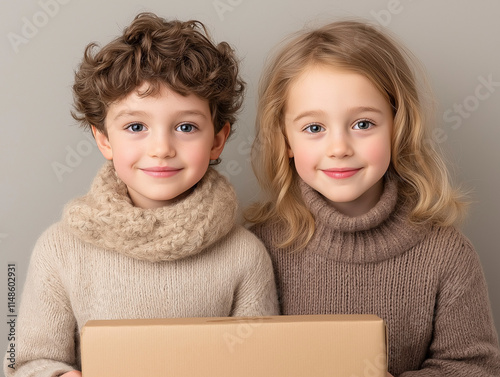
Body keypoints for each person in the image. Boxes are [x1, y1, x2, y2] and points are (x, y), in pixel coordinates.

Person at [5, 12, 278, 377]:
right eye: (136, 126)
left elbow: (263, 364)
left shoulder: (244, 253)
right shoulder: (60, 249)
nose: (161, 148)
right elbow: (30, 362)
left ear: (217, 140)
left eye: (185, 126)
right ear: (104, 139)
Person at [247, 20, 500, 376]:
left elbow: (474, 368)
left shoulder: (447, 256)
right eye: (314, 128)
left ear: (398, 127)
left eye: (363, 124)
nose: (339, 148)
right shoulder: (257, 248)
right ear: (286, 141)